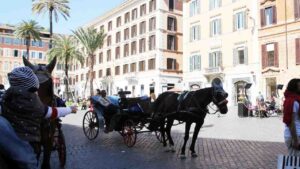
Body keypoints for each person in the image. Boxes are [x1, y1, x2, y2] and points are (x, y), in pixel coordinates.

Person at [0, 66, 77, 168]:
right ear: (33, 86)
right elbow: (52, 112)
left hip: (8, 138)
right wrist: (70, 109)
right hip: (29, 141)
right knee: (30, 162)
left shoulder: (5, 97)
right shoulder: (33, 102)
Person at [283, 78, 300, 156]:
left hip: (297, 134)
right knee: (294, 162)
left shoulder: (296, 100)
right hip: (295, 135)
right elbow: (290, 122)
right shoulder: (292, 101)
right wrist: (295, 140)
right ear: (294, 88)